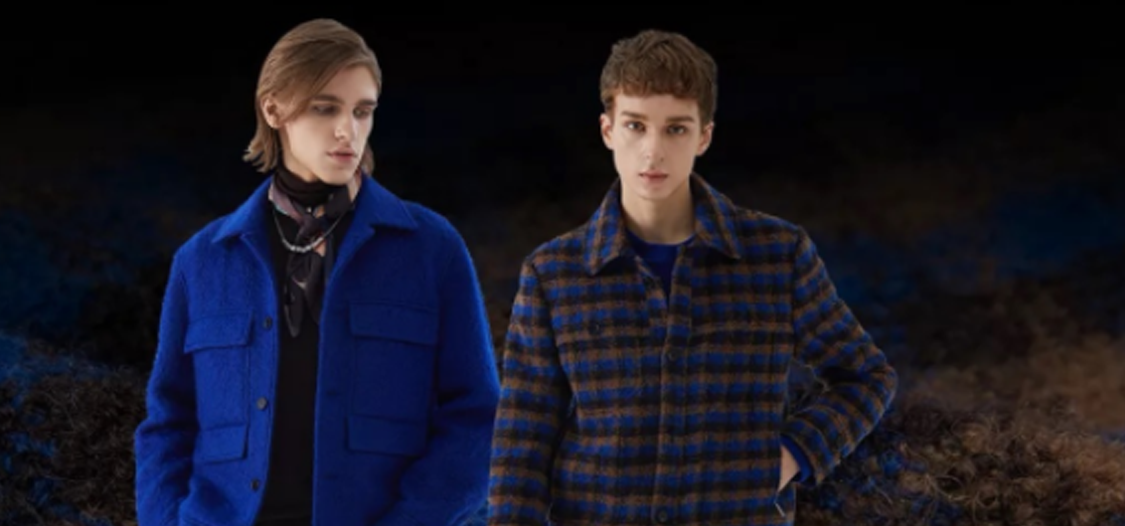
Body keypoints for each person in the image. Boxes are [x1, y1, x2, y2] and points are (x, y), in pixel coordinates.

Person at [487, 28, 898, 525]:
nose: (653, 151)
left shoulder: (777, 255)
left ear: (704, 136)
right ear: (608, 130)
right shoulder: (553, 274)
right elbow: (523, 441)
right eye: (636, 126)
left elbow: (866, 376)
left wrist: (791, 456)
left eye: (676, 129)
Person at [134, 18, 500, 526]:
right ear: (274, 109)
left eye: (362, 111)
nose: (348, 130)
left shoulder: (432, 249)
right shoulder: (202, 261)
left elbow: (478, 414)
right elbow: (168, 422)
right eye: (325, 108)